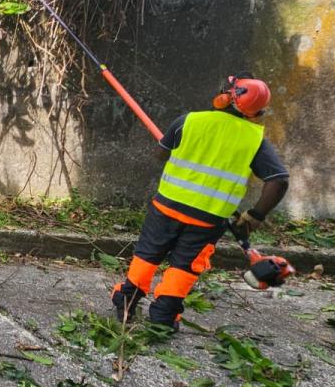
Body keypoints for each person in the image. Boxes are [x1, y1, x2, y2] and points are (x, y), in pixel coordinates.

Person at [111, 73, 290, 332]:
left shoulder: (189, 121)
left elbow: (161, 154)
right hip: (207, 220)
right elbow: (279, 181)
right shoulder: (254, 139)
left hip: (166, 207)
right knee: (184, 266)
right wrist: (255, 217)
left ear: (227, 97)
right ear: (255, 112)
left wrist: (172, 142)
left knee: (147, 255)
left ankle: (126, 302)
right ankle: (163, 317)